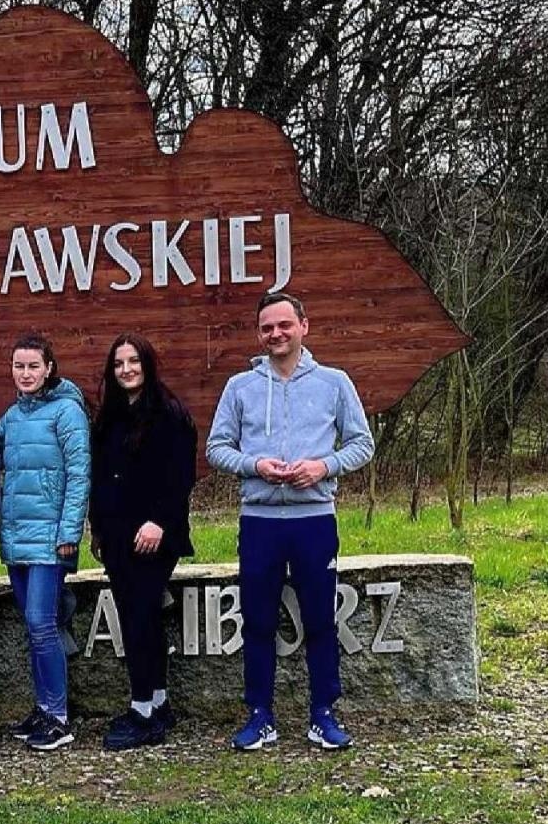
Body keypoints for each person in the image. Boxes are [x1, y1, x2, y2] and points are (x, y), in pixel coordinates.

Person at [207, 292, 375, 751]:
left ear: (304, 325)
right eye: (267, 328)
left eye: (284, 325)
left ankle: (323, 713)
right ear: (259, 334)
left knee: (320, 620)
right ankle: (260, 715)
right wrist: (254, 465)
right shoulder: (239, 387)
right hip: (259, 521)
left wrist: (325, 467)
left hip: (314, 520)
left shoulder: (334, 383)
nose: (276, 334)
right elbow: (216, 448)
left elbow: (363, 444)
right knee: (257, 622)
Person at [90, 334, 196, 751]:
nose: (126, 370)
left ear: (147, 365)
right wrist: (98, 528)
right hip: (117, 536)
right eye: (118, 364)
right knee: (138, 621)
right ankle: (157, 702)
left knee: (140, 621)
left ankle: (143, 711)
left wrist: (160, 523)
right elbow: (102, 478)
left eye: (133, 362)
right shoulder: (111, 418)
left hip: (153, 538)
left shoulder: (168, 415)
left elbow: (180, 478)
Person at [0, 333, 90, 752]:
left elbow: (79, 473)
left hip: (51, 541)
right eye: (19, 366)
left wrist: (69, 531)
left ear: (49, 367)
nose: (26, 373)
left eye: (34, 365)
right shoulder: (12, 417)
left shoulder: (67, 412)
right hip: (16, 539)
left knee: (41, 622)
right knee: (33, 627)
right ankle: (41, 706)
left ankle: (58, 714)